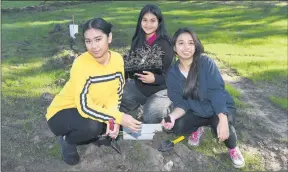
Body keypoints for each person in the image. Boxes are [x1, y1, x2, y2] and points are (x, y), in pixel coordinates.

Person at [45, 17, 142, 165]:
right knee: (93, 126)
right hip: (62, 113)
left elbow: (116, 93)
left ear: (109, 37)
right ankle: (67, 140)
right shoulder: (81, 64)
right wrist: (117, 117)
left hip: (92, 109)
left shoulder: (117, 60)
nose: (93, 46)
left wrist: (114, 120)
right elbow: (84, 106)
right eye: (88, 41)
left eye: (98, 39)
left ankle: (96, 133)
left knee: (114, 125)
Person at [162, 27, 245, 168]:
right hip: (196, 110)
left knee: (225, 131)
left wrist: (223, 119)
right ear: (174, 48)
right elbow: (181, 103)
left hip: (219, 107)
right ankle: (199, 128)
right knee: (176, 127)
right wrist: (173, 117)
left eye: (191, 43)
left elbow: (217, 92)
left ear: (196, 46)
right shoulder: (172, 74)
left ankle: (233, 149)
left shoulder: (206, 63)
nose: (186, 47)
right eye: (181, 43)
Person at [120, 4, 174, 123]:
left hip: (161, 89)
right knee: (117, 95)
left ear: (159, 22)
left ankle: (167, 106)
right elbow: (131, 64)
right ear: (140, 21)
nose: (148, 24)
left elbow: (171, 76)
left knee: (150, 116)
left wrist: (155, 79)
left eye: (152, 20)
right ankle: (142, 105)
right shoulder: (137, 40)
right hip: (139, 87)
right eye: (145, 20)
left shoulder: (165, 44)